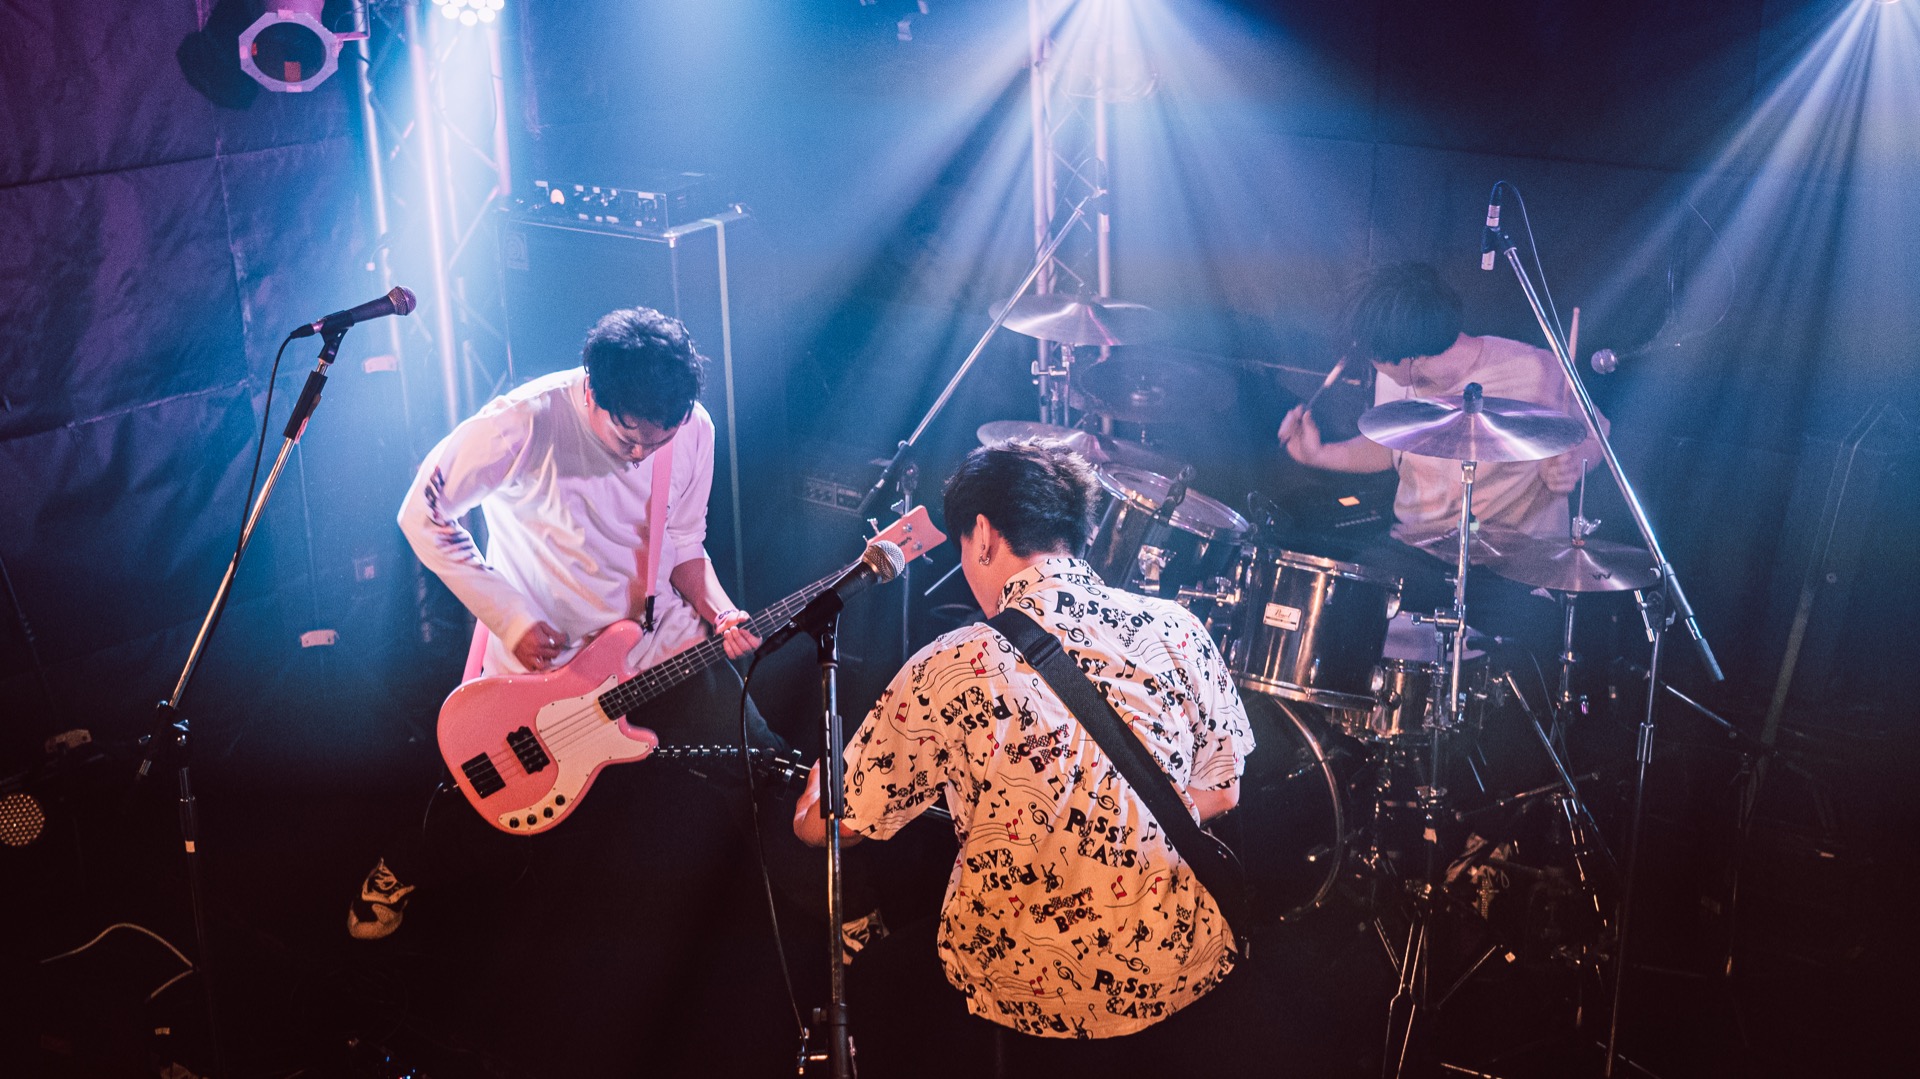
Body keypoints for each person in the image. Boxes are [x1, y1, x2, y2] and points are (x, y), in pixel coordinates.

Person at [793, 440, 1273, 1077]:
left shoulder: (954, 664)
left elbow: (829, 827)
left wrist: (817, 787)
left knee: (878, 976)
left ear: (984, 535)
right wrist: (1115, 818)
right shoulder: (1178, 628)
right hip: (1175, 967)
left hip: (1027, 993)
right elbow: (1224, 789)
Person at [348, 306, 780, 941]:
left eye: (658, 440)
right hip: (549, 669)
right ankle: (405, 866)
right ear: (592, 391)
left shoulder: (692, 429)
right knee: (492, 799)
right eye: (629, 438)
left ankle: (842, 908)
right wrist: (509, 615)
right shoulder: (524, 421)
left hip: (659, 650)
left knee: (763, 763)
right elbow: (423, 512)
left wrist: (719, 611)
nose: (642, 454)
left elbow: (686, 544)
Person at [1278, 261, 1606, 649]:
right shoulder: (1394, 373)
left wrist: (1574, 463)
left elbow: (1597, 435)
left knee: (1529, 652)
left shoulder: (1535, 369)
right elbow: (1392, 447)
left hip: (1512, 568)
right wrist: (1319, 455)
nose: (1372, 363)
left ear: (1406, 357)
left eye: (1374, 357)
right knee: (1344, 611)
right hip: (1419, 551)